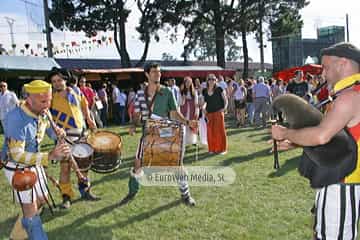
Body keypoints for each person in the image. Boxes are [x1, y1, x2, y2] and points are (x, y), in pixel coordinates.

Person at [271, 42, 360, 240]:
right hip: (339, 181)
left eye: (326, 68)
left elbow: (321, 136)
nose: (323, 74)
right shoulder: (348, 94)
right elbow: (336, 138)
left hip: (342, 184)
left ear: (343, 63)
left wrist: (286, 133)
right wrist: (297, 142)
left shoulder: (349, 97)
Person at [1, 80, 69, 240]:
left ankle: (15, 237)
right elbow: (16, 154)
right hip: (17, 166)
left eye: (49, 100)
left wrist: (58, 134)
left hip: (35, 162)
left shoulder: (44, 112)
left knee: (41, 199)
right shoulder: (15, 117)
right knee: (31, 212)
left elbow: (48, 131)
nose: (47, 104)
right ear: (29, 99)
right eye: (43, 101)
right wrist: (50, 156)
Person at [123, 63, 197, 206]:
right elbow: (137, 114)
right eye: (154, 72)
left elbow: (175, 113)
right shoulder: (140, 94)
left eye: (159, 72)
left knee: (177, 164)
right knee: (138, 163)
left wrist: (187, 122)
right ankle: (132, 192)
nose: (158, 74)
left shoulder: (167, 92)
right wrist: (133, 125)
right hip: (148, 132)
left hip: (165, 132)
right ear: (147, 74)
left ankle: (186, 194)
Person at [47, 69, 99, 209]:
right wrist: (54, 132)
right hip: (64, 136)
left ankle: (85, 191)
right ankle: (66, 197)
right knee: (65, 168)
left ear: (65, 80)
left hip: (81, 133)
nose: (57, 83)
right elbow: (45, 116)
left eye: (59, 80)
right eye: (54, 82)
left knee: (83, 165)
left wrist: (89, 119)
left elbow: (85, 106)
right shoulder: (50, 97)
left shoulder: (76, 91)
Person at [202, 73, 228, 154]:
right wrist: (203, 108)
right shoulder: (204, 91)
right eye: (210, 79)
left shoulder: (219, 89)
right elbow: (204, 102)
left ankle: (222, 149)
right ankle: (212, 149)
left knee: (220, 131)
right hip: (209, 113)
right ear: (207, 81)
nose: (211, 81)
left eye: (213, 79)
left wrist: (224, 108)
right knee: (210, 132)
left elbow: (225, 99)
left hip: (218, 112)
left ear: (216, 80)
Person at [180, 76, 199, 145]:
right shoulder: (181, 92)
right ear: (184, 83)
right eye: (186, 82)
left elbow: (196, 103)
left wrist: (197, 111)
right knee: (185, 124)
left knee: (192, 124)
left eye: (189, 82)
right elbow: (180, 103)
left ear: (191, 83)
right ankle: (184, 140)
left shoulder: (194, 92)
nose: (188, 84)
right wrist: (183, 99)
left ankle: (193, 141)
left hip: (192, 110)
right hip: (184, 110)